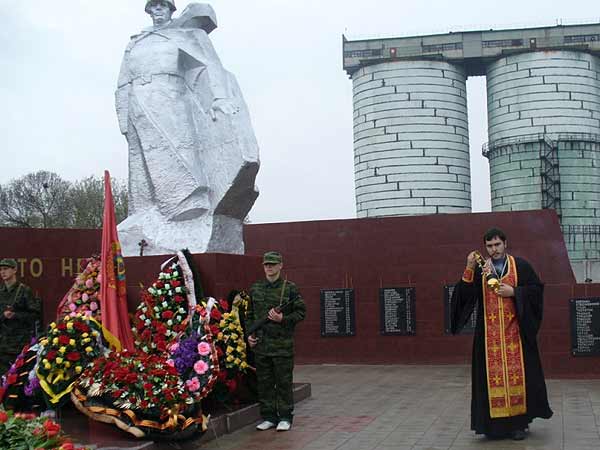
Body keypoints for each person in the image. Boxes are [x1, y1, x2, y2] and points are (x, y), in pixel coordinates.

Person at [450, 228, 553, 440]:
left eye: (497, 244)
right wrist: (469, 268)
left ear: (505, 243)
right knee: (489, 383)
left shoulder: (520, 266)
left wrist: (514, 292)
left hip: (516, 335)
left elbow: (536, 290)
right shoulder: (481, 269)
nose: (494, 249)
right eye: (489, 246)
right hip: (488, 339)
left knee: (518, 379)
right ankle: (493, 428)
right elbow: (464, 297)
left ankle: (518, 425)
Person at [247, 252, 306, 432]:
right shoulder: (256, 288)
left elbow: (301, 313)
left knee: (283, 383)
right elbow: (250, 315)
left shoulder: (289, 289)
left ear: (281, 265)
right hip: (261, 346)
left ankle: (285, 417)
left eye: (273, 264)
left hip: (282, 346)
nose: (269, 267)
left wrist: (283, 319)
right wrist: (250, 335)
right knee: (264, 383)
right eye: (267, 264)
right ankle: (269, 417)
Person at [0, 259, 42, 375]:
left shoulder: (24, 291)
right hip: (3, 343)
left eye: (6, 269)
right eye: (1, 269)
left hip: (20, 342)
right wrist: (3, 316)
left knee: (18, 376)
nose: (3, 272)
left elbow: (35, 315)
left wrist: (15, 315)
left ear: (14, 270)